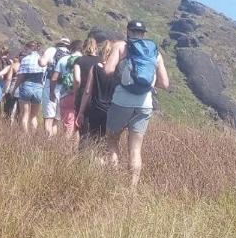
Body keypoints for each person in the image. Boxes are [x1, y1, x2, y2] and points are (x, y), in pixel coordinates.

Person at [103, 20, 170, 187]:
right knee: (135, 149)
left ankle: (112, 181)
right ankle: (131, 190)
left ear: (128, 31)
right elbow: (165, 84)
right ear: (143, 34)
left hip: (121, 101)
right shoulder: (154, 52)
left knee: (112, 140)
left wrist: (121, 77)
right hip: (145, 103)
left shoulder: (120, 46)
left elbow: (108, 70)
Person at [77, 40, 116, 141]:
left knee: (94, 139)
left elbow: (87, 91)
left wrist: (81, 112)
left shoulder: (95, 68)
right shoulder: (117, 70)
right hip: (112, 110)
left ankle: (95, 157)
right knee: (109, 142)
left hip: (96, 109)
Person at [9, 41, 45, 134]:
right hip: (38, 87)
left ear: (29, 48)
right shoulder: (42, 59)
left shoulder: (25, 59)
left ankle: (25, 136)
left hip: (26, 85)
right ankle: (33, 135)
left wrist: (14, 89)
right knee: (34, 116)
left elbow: (20, 76)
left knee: (24, 114)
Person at [70, 38, 100, 146]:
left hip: (82, 95)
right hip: (97, 97)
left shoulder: (79, 60)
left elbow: (77, 79)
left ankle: (80, 153)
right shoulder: (100, 61)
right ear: (96, 47)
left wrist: (75, 91)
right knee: (96, 129)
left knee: (81, 126)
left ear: (84, 47)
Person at [39, 37, 72, 136]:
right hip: (64, 89)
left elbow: (42, 63)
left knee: (48, 118)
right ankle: (53, 143)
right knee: (56, 120)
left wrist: (39, 58)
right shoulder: (70, 55)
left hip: (51, 86)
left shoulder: (52, 50)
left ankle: (48, 142)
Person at [50, 39, 82, 139]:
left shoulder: (63, 60)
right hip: (81, 96)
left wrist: (52, 93)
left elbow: (54, 78)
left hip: (66, 94)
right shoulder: (84, 59)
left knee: (67, 124)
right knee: (78, 125)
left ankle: (66, 151)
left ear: (70, 48)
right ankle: (76, 150)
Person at [2, 54, 21, 123]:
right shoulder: (26, 66)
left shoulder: (14, 66)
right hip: (23, 91)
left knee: (8, 111)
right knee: (19, 112)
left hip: (12, 89)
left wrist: (4, 92)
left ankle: (7, 126)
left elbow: (8, 79)